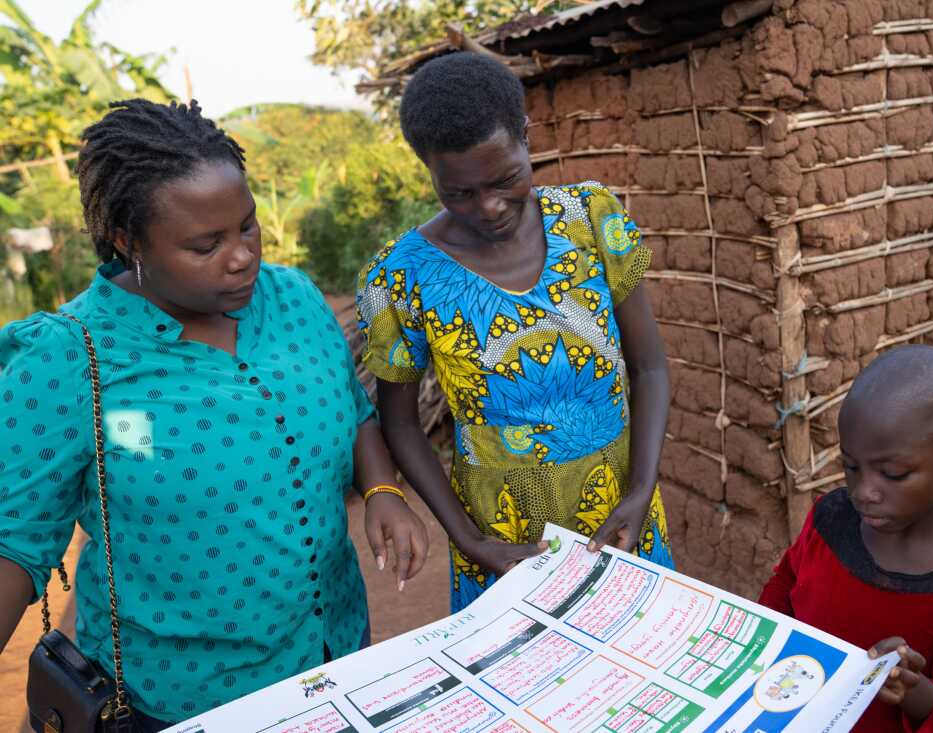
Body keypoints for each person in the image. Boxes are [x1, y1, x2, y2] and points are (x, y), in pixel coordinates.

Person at [0, 99, 429, 731]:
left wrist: (384, 489)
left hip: (335, 653)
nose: (241, 257)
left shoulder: (295, 300)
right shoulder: (69, 359)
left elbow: (357, 412)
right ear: (127, 240)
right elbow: (12, 545)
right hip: (184, 700)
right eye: (206, 246)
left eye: (248, 228)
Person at [356, 52, 674, 612]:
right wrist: (470, 539)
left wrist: (641, 489)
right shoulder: (401, 276)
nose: (490, 206)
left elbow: (649, 366)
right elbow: (400, 424)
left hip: (622, 521)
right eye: (459, 193)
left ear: (526, 137)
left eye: (506, 179)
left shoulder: (591, 219)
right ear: (426, 170)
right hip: (501, 543)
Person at [758, 344, 933, 732]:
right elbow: (786, 585)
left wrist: (913, 689)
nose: (864, 491)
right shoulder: (831, 517)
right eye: (851, 466)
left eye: (892, 474)